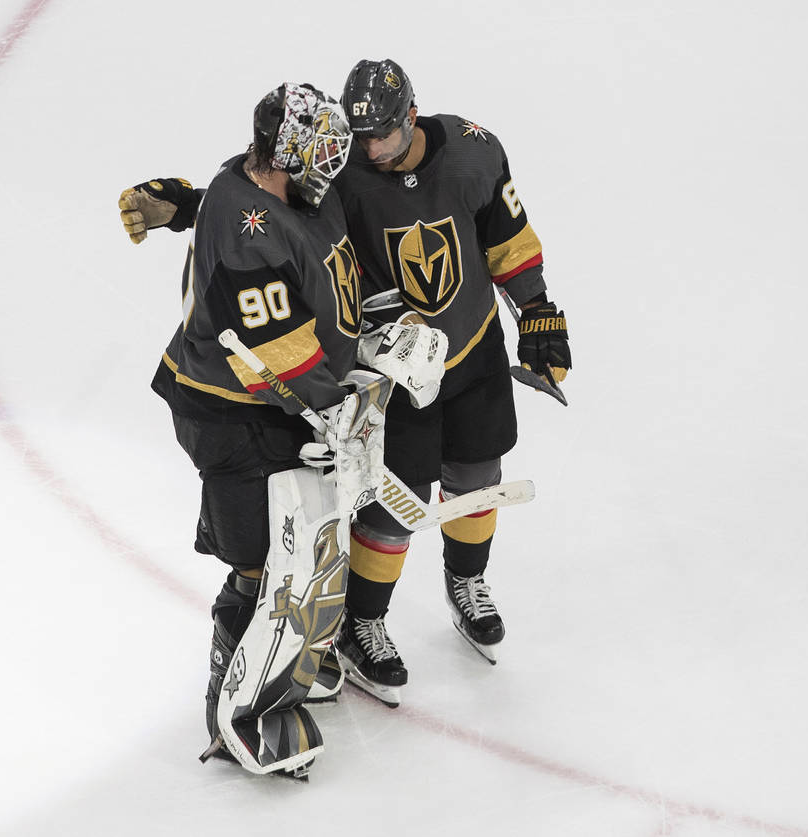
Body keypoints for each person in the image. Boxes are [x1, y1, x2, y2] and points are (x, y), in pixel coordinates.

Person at [118, 60, 569, 708]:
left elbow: (507, 239)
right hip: (349, 377)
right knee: (376, 504)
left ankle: (462, 584)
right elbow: (262, 216)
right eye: (349, 141)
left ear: (409, 117)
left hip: (454, 353)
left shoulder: (463, 154)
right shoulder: (336, 177)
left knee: (476, 471)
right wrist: (193, 205)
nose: (358, 153)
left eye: (374, 137)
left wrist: (537, 310)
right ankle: (353, 628)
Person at [133, 81, 388, 778]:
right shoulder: (251, 234)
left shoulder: (287, 182)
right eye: (316, 164)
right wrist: (338, 410)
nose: (328, 178)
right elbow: (282, 352)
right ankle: (233, 703)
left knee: (308, 541)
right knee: (261, 556)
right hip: (232, 414)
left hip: (288, 404)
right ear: (280, 158)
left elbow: (229, 189)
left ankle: (290, 660)